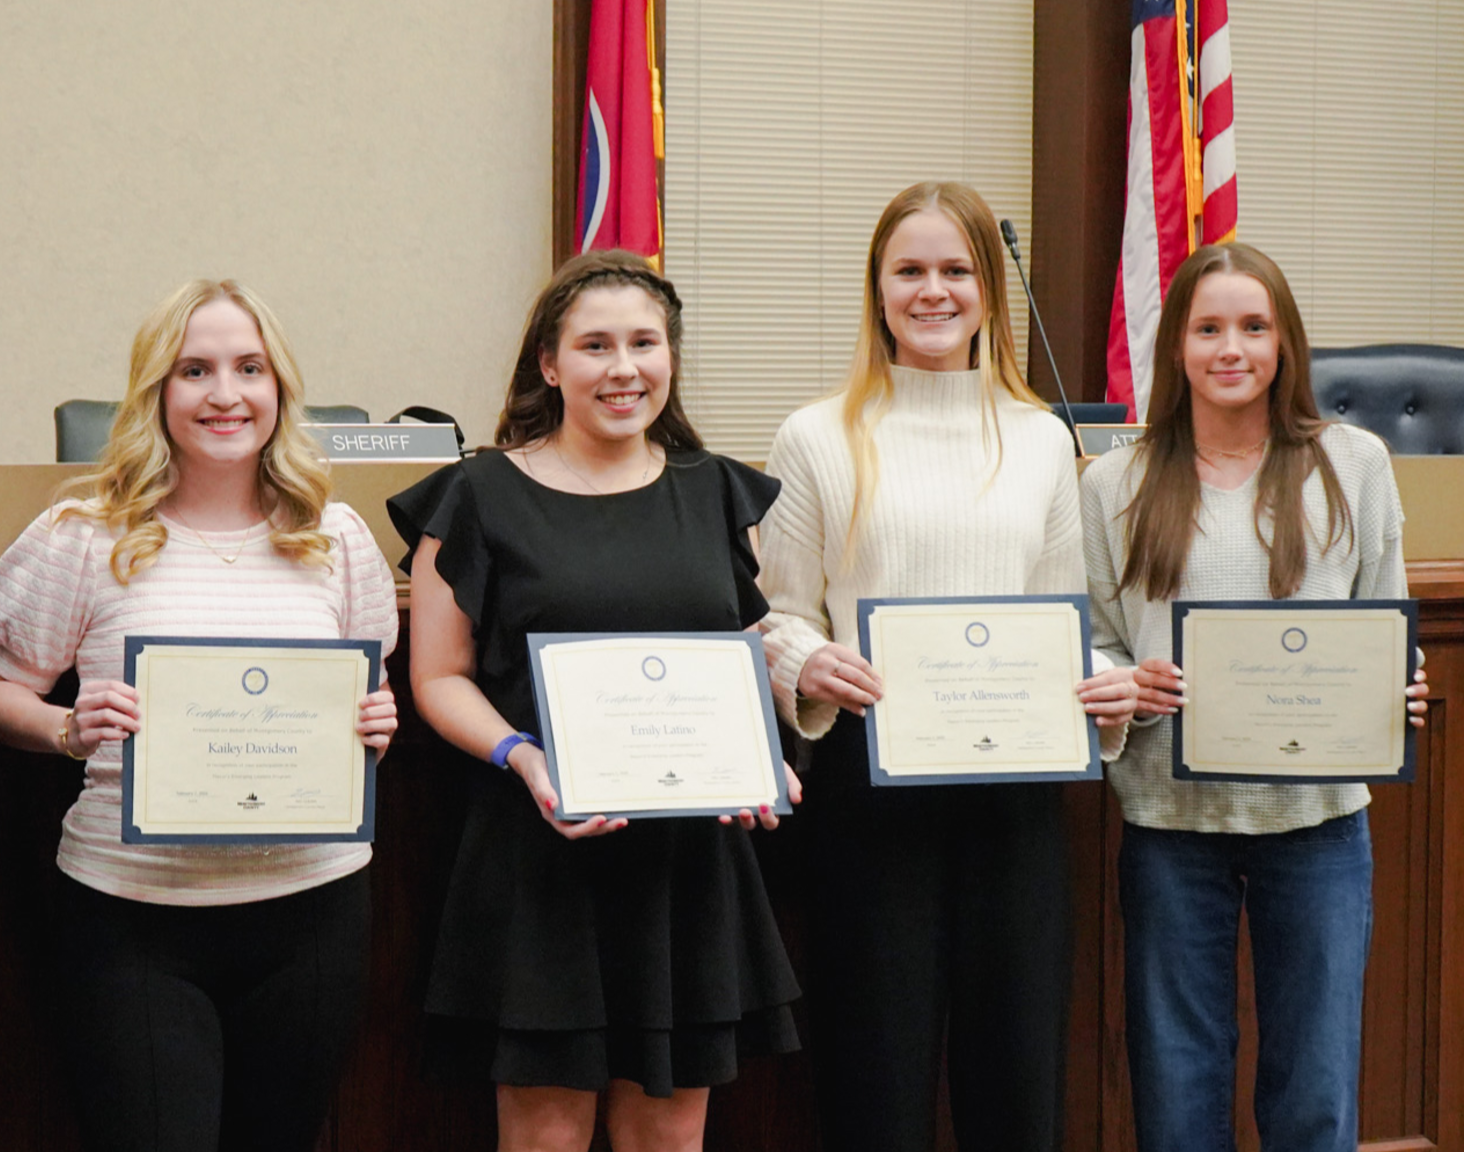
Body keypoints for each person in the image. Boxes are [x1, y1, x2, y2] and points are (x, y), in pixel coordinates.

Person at [0, 279, 399, 1152]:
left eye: (250, 368)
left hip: (313, 913)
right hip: (132, 917)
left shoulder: (336, 536)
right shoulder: (83, 532)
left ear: (280, 387)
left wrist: (372, 733)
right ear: (155, 392)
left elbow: (362, 708)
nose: (225, 394)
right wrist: (66, 727)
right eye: (195, 370)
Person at [390, 249, 800, 1152]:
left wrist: (760, 754)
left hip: (687, 863)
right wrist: (524, 757)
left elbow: (739, 648)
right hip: (541, 855)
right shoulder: (477, 494)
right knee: (545, 1135)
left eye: (645, 343)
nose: (624, 368)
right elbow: (438, 677)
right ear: (549, 363)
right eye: (595, 346)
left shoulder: (716, 490)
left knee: (669, 1136)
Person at [757, 180, 1136, 1152]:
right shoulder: (815, 435)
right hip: (870, 790)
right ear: (877, 289)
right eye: (910, 271)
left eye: (956, 269)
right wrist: (804, 661)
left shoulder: (1041, 438)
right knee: (873, 1075)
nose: (933, 291)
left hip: (1015, 797)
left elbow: (1065, 619)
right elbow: (776, 613)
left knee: (1016, 1075)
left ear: (989, 290)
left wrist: (1101, 686)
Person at [1081, 242, 1428, 1152]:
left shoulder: (1353, 463)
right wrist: (1126, 682)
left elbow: (1385, 619)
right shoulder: (1114, 480)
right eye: (1207, 328)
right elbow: (1097, 637)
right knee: (1176, 1080)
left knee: (1315, 1083)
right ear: (1177, 345)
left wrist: (1400, 684)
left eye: (1253, 327)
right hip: (1170, 821)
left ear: (1285, 343)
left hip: (1318, 822)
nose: (1230, 348)